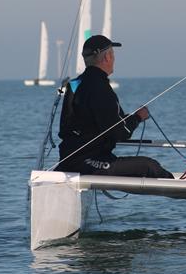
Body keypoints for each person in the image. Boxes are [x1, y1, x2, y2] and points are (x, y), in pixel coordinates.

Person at [56, 34, 174, 179]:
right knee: (149, 166)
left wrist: (128, 119)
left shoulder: (75, 84)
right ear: (107, 58)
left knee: (143, 165)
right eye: (113, 54)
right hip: (87, 162)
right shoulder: (100, 87)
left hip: (68, 158)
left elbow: (79, 124)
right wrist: (138, 117)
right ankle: (184, 190)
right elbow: (119, 132)